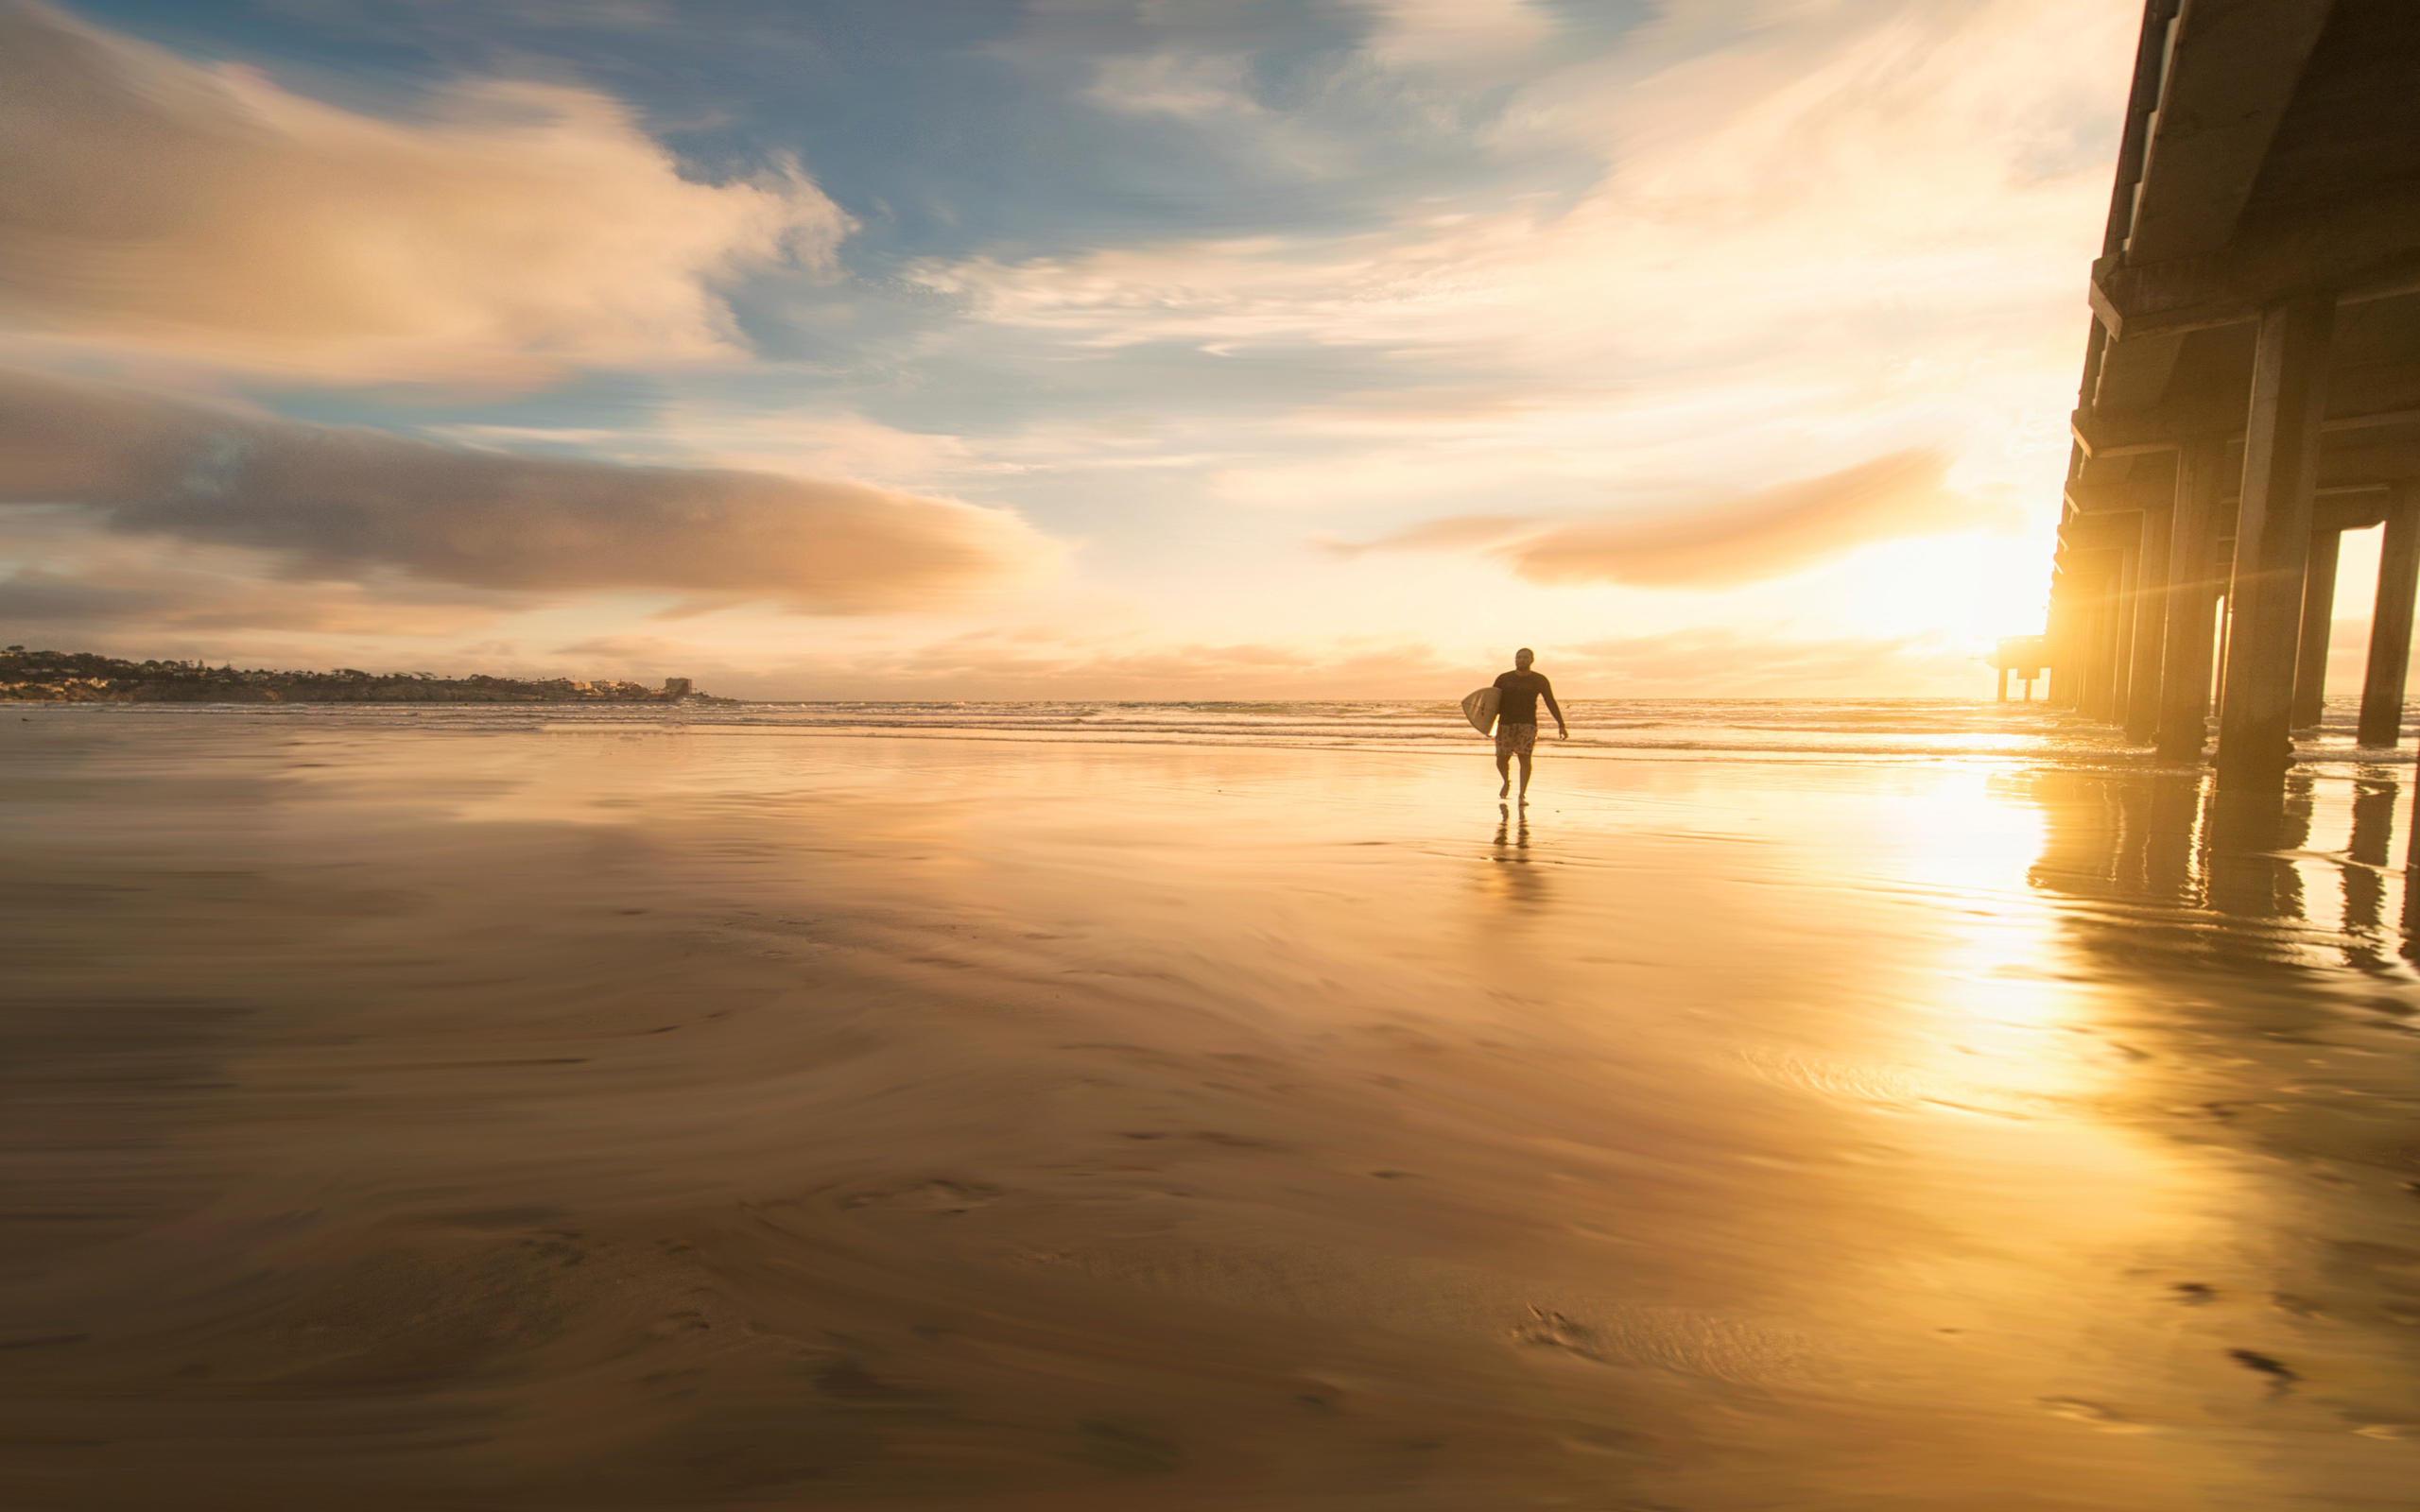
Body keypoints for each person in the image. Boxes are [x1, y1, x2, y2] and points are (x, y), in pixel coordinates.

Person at [1491, 648, 1566, 802]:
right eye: (1519, 657)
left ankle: (1522, 794)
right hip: (1505, 723)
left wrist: (1561, 724)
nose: (1522, 660)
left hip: (1528, 724)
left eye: (1525, 657)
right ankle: (1506, 781)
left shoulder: (1540, 680)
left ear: (1532, 660)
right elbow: (1492, 701)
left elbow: (1550, 701)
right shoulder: (1503, 679)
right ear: (1515, 660)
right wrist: (1487, 724)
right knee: (1501, 759)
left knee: (1525, 758)